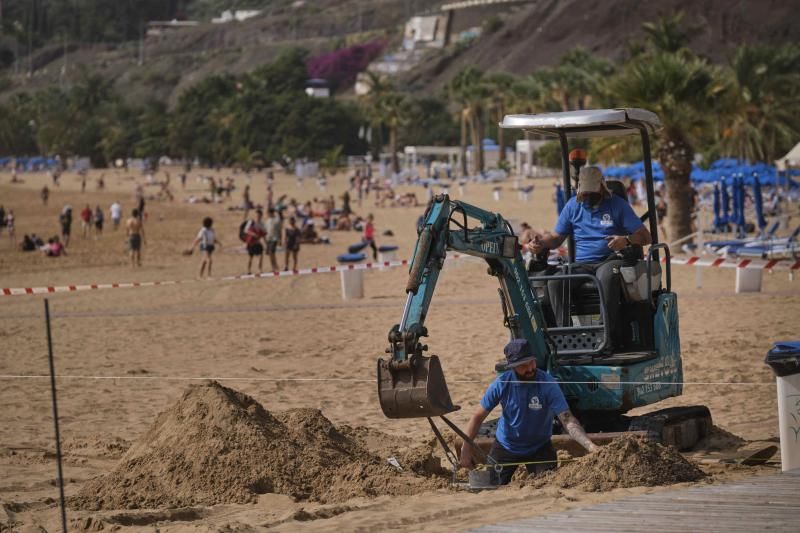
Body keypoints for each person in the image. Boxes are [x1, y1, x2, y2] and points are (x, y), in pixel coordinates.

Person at [527, 166, 651, 345]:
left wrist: (626, 240)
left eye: (591, 193)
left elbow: (646, 237)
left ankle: (605, 336)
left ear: (602, 186)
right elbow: (555, 238)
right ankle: (565, 336)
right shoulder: (572, 206)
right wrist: (539, 244)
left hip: (611, 259)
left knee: (605, 277)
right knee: (555, 282)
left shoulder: (618, 205)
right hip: (582, 263)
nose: (587, 197)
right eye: (585, 193)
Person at [460, 339, 598, 485]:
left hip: (539, 447)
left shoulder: (548, 383)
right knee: (488, 487)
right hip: (506, 445)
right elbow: (477, 417)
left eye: (531, 362)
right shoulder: (502, 384)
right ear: (512, 367)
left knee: (547, 486)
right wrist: (465, 450)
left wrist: (590, 446)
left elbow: (567, 420)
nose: (530, 368)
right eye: (523, 365)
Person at [244, 208, 267, 274]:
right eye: (257, 215)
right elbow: (246, 230)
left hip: (257, 242)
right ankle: (248, 270)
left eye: (259, 215)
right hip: (251, 242)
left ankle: (260, 269)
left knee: (260, 256)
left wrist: (265, 243)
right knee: (250, 257)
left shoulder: (261, 224)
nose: (258, 216)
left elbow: (264, 234)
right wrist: (253, 234)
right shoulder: (251, 222)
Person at [265, 207, 282, 272]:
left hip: (274, 238)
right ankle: (274, 265)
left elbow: (279, 230)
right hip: (268, 239)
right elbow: (266, 230)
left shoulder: (277, 220)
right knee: (270, 253)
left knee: (272, 252)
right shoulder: (267, 220)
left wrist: (280, 239)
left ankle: (274, 266)